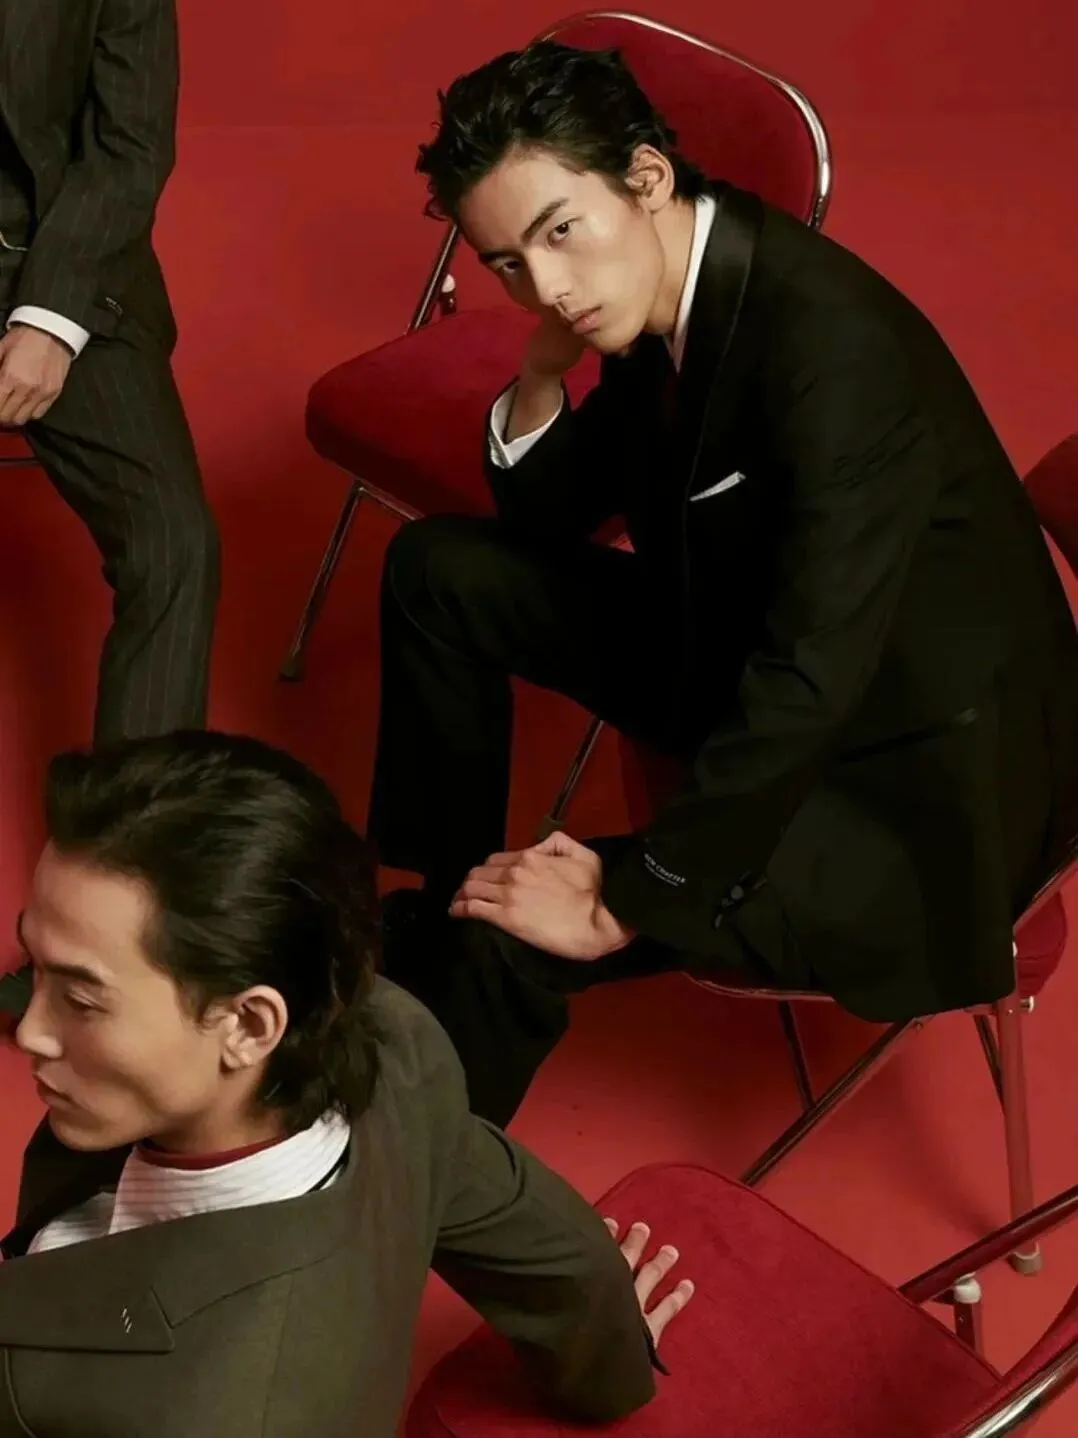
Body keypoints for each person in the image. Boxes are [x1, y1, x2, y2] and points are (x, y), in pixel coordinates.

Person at [368, 41, 1078, 1128]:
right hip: (745, 637)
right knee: (436, 572)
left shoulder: (831, 356)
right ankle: (438, 903)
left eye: (559, 231)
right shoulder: (661, 279)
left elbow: (813, 676)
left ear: (647, 178)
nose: (546, 288)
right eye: (508, 262)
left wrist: (623, 895)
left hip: (903, 781)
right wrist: (542, 375)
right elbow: (552, 516)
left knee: (519, 940)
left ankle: (401, 1178)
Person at [0, 732, 691, 1437]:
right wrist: (611, 1346)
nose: (30, 1031)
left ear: (249, 1024)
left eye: (81, 1000)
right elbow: (533, 1232)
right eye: (36, 966)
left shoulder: (228, 1416)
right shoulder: (395, 1040)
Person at [0, 0, 218, 1021]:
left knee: (177, 548)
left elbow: (129, 143)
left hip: (58, 263)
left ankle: (119, 920)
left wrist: (51, 318)